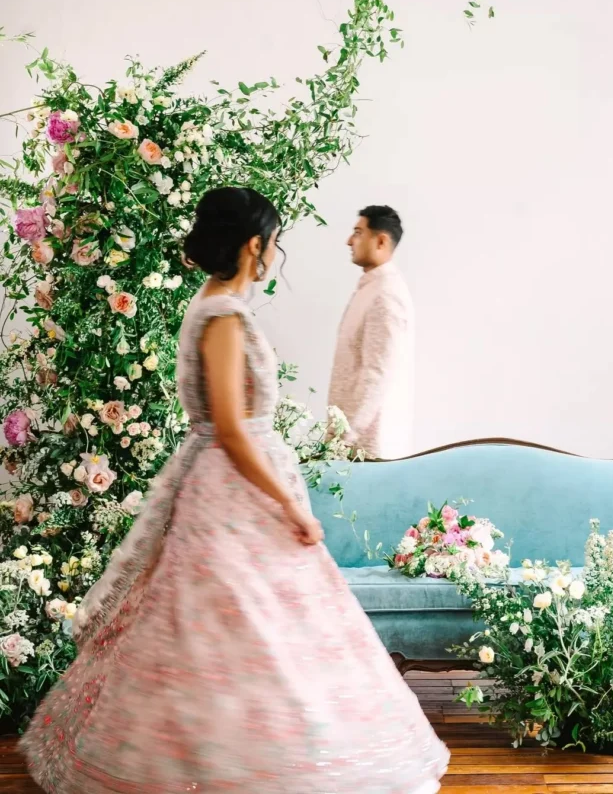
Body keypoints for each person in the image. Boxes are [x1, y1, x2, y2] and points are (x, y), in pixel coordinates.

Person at [20, 187, 448, 793]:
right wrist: (284, 502)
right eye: (275, 241)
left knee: (252, 629)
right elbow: (229, 429)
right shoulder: (221, 314)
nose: (276, 252)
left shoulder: (218, 305)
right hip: (229, 497)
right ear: (254, 245)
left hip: (228, 490)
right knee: (245, 630)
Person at [329, 205, 415, 459]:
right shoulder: (372, 289)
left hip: (368, 451)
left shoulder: (386, 294)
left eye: (357, 232)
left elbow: (377, 374)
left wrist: (341, 441)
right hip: (354, 450)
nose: (349, 241)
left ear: (380, 241)